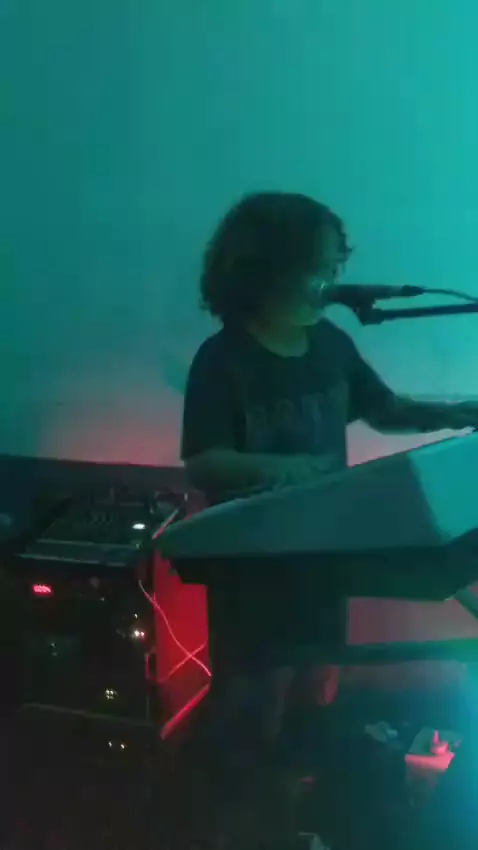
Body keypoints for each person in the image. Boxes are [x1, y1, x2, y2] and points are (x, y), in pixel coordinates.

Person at [180, 191, 478, 762]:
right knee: (258, 690)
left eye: (335, 270)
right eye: (317, 269)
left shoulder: (331, 345)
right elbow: (204, 461)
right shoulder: (223, 360)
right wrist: (281, 469)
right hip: (253, 563)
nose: (331, 283)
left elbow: (385, 410)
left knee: (318, 675)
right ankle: (240, 788)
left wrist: (454, 412)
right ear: (265, 270)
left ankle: (300, 780)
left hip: (322, 554)